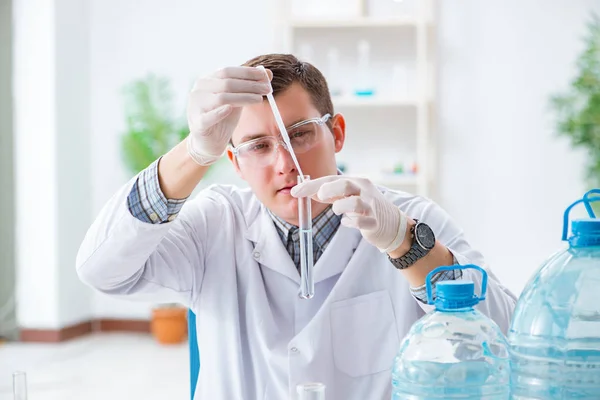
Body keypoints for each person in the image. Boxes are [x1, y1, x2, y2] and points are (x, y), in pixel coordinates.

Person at [76, 54, 516, 400]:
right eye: (258, 146)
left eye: (300, 134)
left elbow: (503, 337)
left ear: (337, 134)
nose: (285, 163)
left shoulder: (408, 220)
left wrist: (405, 244)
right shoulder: (215, 224)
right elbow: (101, 270)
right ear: (233, 162)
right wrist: (193, 153)